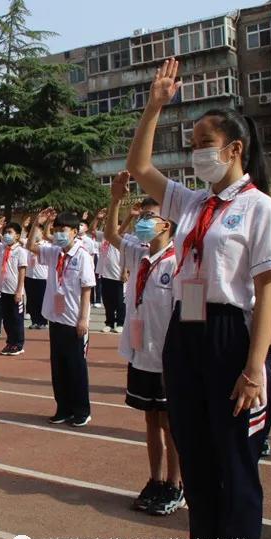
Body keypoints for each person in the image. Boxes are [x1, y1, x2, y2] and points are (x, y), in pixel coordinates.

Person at [126, 58, 271, 539]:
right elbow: (139, 166)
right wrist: (153, 106)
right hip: (184, 337)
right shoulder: (190, 202)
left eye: (204, 143)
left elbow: (266, 291)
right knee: (197, 460)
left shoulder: (259, 209)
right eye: (191, 143)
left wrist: (255, 367)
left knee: (235, 469)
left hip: (230, 337)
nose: (196, 153)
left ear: (234, 149)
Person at [104, 172, 184, 517]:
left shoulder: (180, 262)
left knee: (171, 424)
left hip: (169, 359)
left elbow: (191, 315)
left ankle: (176, 485)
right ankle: (155, 479)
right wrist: (116, 199)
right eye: (143, 217)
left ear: (166, 224)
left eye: (149, 218)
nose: (143, 223)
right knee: (151, 421)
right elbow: (110, 234)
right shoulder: (138, 254)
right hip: (141, 354)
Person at [28, 208, 95, 428]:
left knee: (76, 367)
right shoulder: (54, 252)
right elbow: (31, 246)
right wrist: (37, 225)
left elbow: (87, 288)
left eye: (63, 230)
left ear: (75, 232)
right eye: (56, 230)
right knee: (59, 368)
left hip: (74, 321)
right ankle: (63, 408)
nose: (58, 234)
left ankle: (82, 410)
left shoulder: (82, 255)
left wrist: (83, 319)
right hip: (55, 319)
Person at [0, 220, 29, 356]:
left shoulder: (21, 251)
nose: (6, 235)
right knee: (7, 318)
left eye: (10, 233)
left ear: (17, 236)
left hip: (14, 290)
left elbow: (22, 271)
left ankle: (18, 344)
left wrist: (19, 290)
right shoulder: (2, 248)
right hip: (2, 289)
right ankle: (10, 342)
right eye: (5, 232)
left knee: (16, 318)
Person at [92, 210, 126, 334]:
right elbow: (92, 231)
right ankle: (109, 322)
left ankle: (121, 323)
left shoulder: (122, 239)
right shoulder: (104, 237)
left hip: (118, 275)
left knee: (119, 301)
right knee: (108, 301)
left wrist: (124, 272)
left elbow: (126, 256)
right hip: (105, 274)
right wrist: (97, 218)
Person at [24, 219, 49, 330]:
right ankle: (35, 320)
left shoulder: (47, 245)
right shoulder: (29, 244)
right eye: (34, 232)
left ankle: (43, 321)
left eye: (38, 231)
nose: (35, 234)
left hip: (43, 277)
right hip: (30, 276)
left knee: (42, 300)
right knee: (32, 300)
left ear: (42, 232)